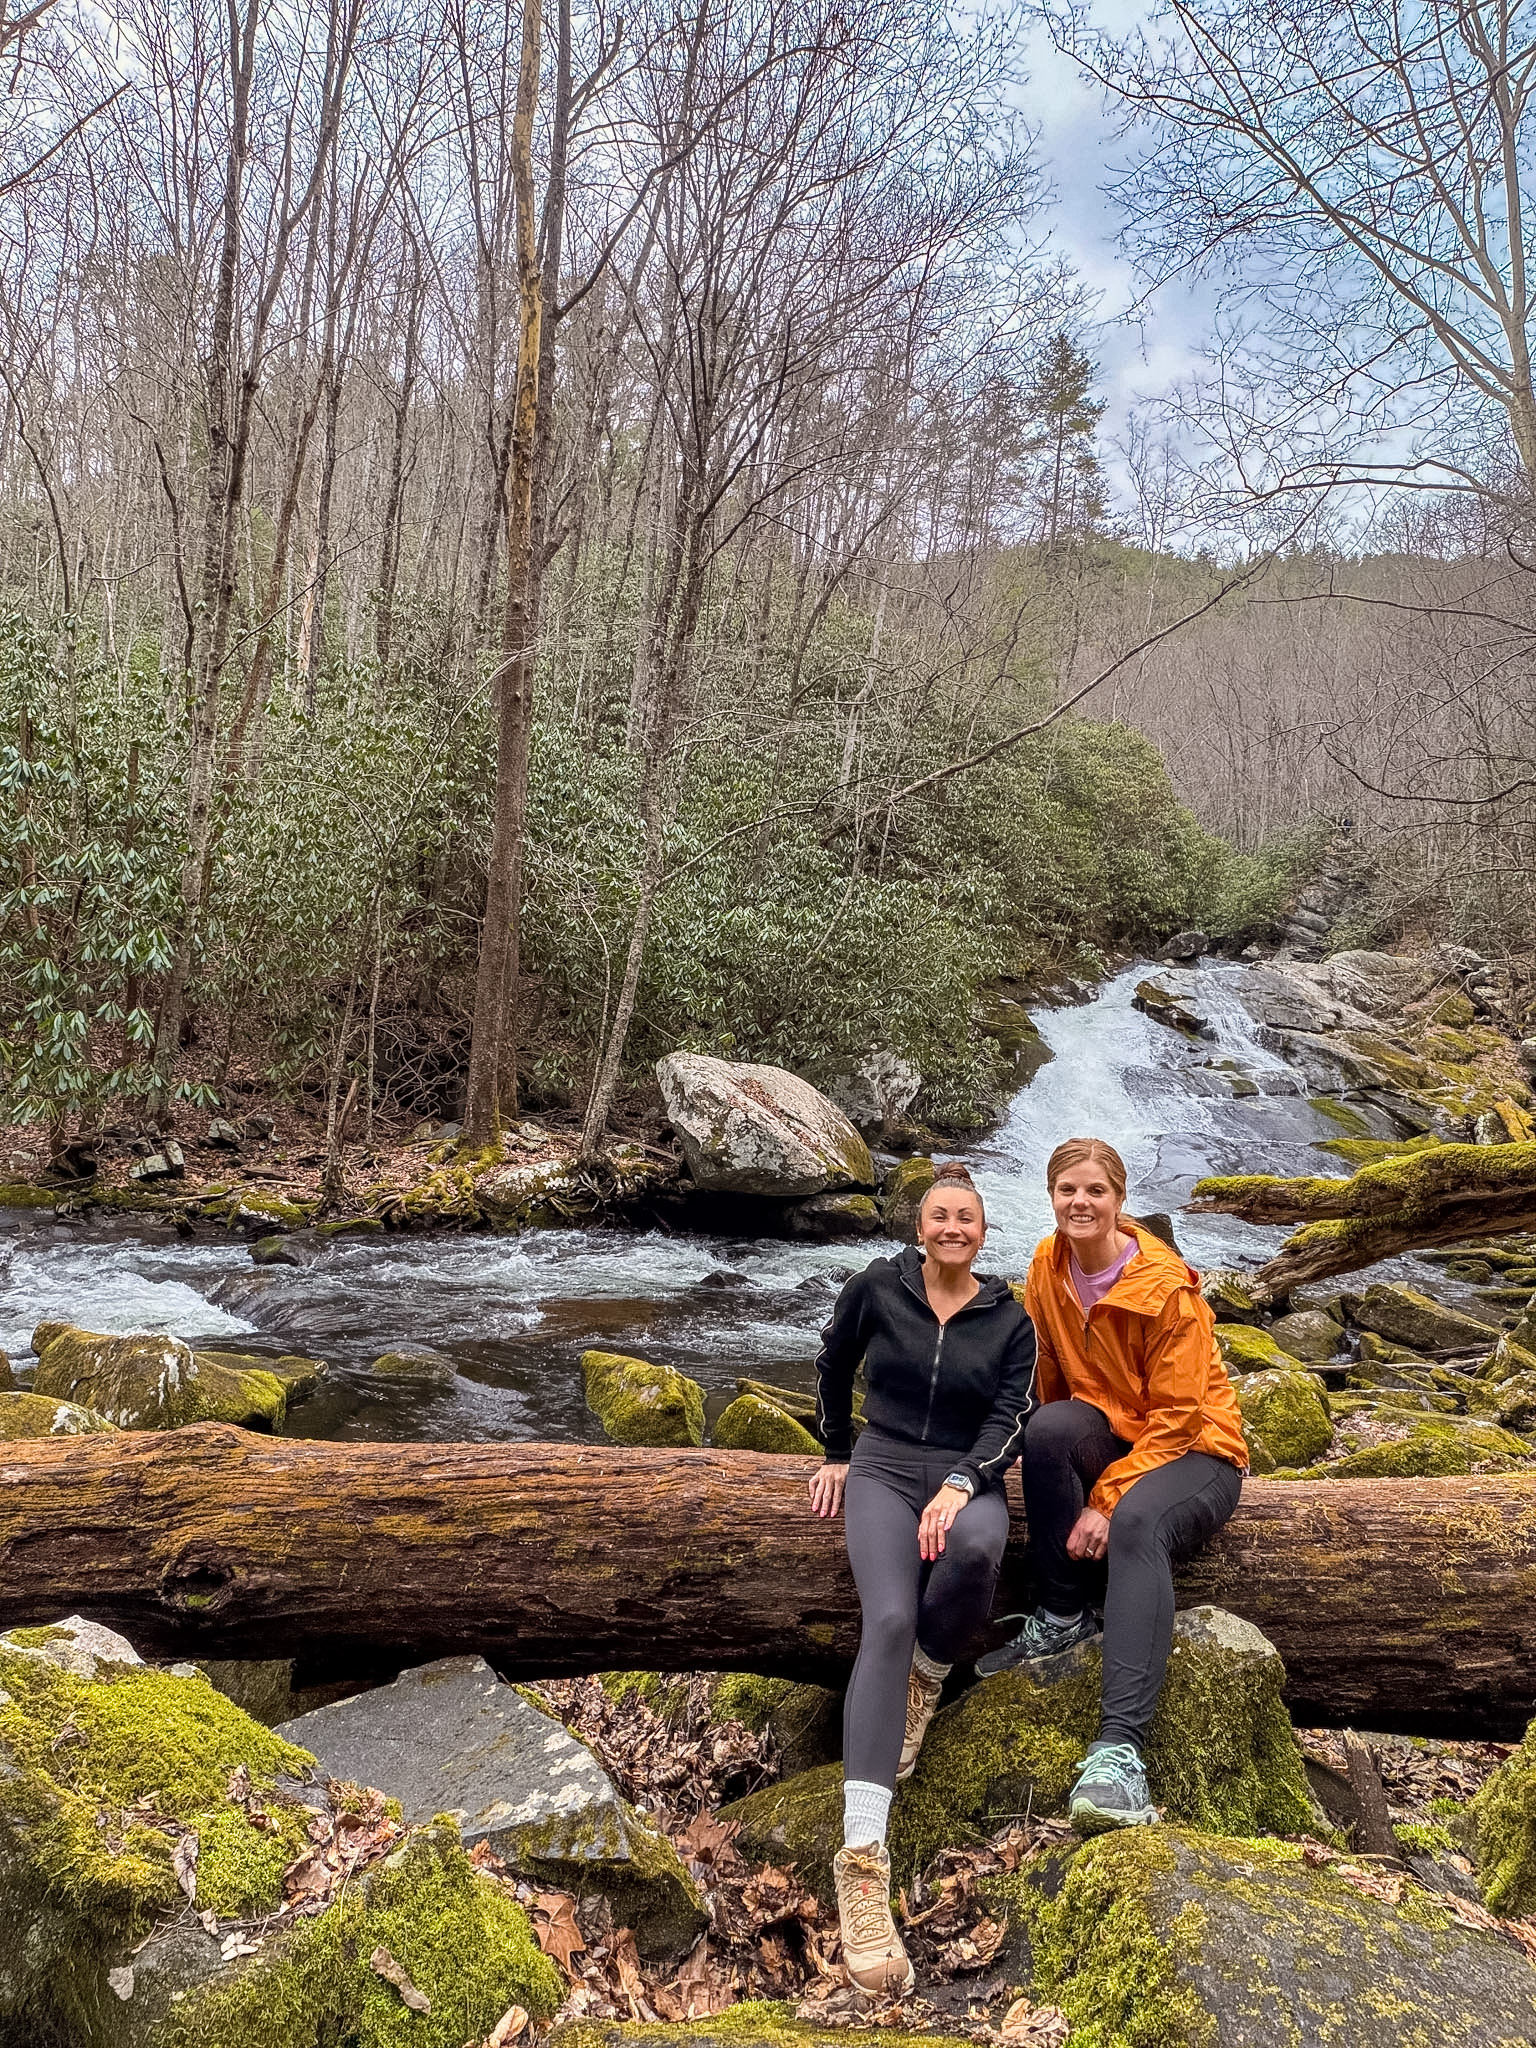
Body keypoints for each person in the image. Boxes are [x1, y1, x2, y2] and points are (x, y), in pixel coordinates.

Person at [808, 1162, 1036, 1994]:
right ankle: (862, 1860)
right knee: (890, 1620)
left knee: (975, 1554)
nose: (952, 1228)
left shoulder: (1009, 1318)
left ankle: (925, 1683)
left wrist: (964, 1481)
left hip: (966, 1476)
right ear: (919, 1227)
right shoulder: (877, 1287)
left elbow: (1013, 1415)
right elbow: (833, 1362)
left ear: (982, 1232)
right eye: (940, 1216)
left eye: (966, 1218)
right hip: (882, 1466)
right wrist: (836, 1451)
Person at [977, 1136, 1247, 1834]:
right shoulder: (1048, 1263)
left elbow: (1180, 1419)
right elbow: (1046, 1379)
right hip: (1122, 1433)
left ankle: (1120, 1751)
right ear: (1051, 1196)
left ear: (1120, 1200)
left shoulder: (1166, 1290)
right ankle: (1062, 1616)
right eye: (1068, 1189)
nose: (1081, 1202)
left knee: (1135, 1524)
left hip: (1199, 1450)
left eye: (1095, 1190)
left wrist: (1104, 1498)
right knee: (1048, 1429)